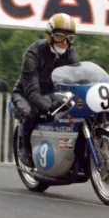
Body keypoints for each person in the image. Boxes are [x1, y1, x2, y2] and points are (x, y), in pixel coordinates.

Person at [11, 13, 81, 168]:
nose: (64, 42)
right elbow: (32, 92)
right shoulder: (33, 53)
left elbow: (78, 79)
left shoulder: (71, 53)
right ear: (50, 36)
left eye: (69, 38)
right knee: (32, 112)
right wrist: (49, 107)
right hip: (25, 93)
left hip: (51, 92)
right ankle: (24, 144)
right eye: (59, 37)